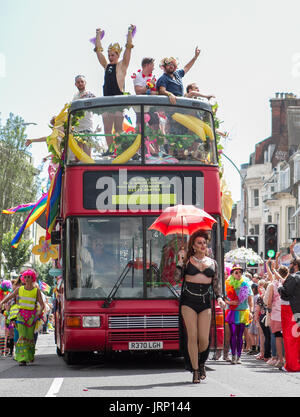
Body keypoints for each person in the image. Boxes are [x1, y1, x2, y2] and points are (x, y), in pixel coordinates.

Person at [176, 230, 226, 383]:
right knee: (192, 335)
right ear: (194, 246)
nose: (203, 245)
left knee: (203, 338)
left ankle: (201, 362)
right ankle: (195, 370)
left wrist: (219, 298)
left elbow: (216, 284)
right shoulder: (187, 260)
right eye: (199, 243)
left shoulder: (213, 263)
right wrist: (179, 261)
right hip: (188, 301)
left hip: (205, 301)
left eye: (204, 243)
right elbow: (176, 278)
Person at [94, 25, 136, 149]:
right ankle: (111, 150)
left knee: (118, 127)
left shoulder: (122, 66)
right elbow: (98, 51)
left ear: (117, 55)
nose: (110, 57)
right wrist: (98, 35)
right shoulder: (106, 66)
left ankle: (119, 149)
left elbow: (128, 49)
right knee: (107, 128)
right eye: (109, 55)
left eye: (113, 55)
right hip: (107, 101)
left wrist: (129, 32)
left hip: (118, 100)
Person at [0, 269, 45, 366]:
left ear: (32, 278)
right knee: (22, 336)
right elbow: (10, 296)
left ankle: (29, 356)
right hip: (21, 316)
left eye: (29, 277)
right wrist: (2, 302)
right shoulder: (19, 289)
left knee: (29, 337)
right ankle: (21, 358)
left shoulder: (36, 291)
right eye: (25, 277)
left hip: (31, 317)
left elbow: (42, 305)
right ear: (23, 278)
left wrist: (38, 314)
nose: (27, 279)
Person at [225, 265, 254, 365]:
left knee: (240, 335)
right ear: (232, 274)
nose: (238, 274)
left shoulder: (246, 284)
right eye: (236, 272)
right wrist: (229, 303)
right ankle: (233, 356)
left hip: (243, 312)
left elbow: (250, 299)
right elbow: (223, 297)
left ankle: (239, 356)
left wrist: (251, 311)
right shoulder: (228, 284)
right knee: (233, 334)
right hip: (232, 312)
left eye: (240, 272)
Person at [278, 257, 300, 372]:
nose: (289, 266)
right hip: (297, 311)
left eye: (291, 264)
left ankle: (292, 365)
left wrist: (280, 287)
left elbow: (285, 293)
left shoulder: (293, 277)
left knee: (291, 339)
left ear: (295, 265)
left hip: (291, 310)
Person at [267, 265, 289, 369]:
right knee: (287, 337)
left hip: (276, 315)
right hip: (287, 314)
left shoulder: (273, 285)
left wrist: (269, 312)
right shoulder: (289, 283)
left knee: (278, 337)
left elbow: (269, 301)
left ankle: (280, 359)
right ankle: (287, 359)